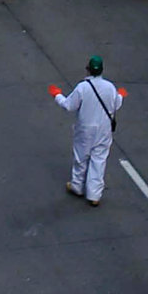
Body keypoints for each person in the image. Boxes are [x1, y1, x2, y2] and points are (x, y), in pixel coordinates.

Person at [54, 58, 125, 202]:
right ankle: (94, 195)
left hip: (85, 129)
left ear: (88, 69)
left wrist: (57, 95)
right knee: (99, 159)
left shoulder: (82, 88)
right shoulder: (110, 87)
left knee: (81, 157)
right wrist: (121, 95)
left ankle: (77, 186)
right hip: (104, 130)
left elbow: (69, 105)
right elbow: (116, 104)